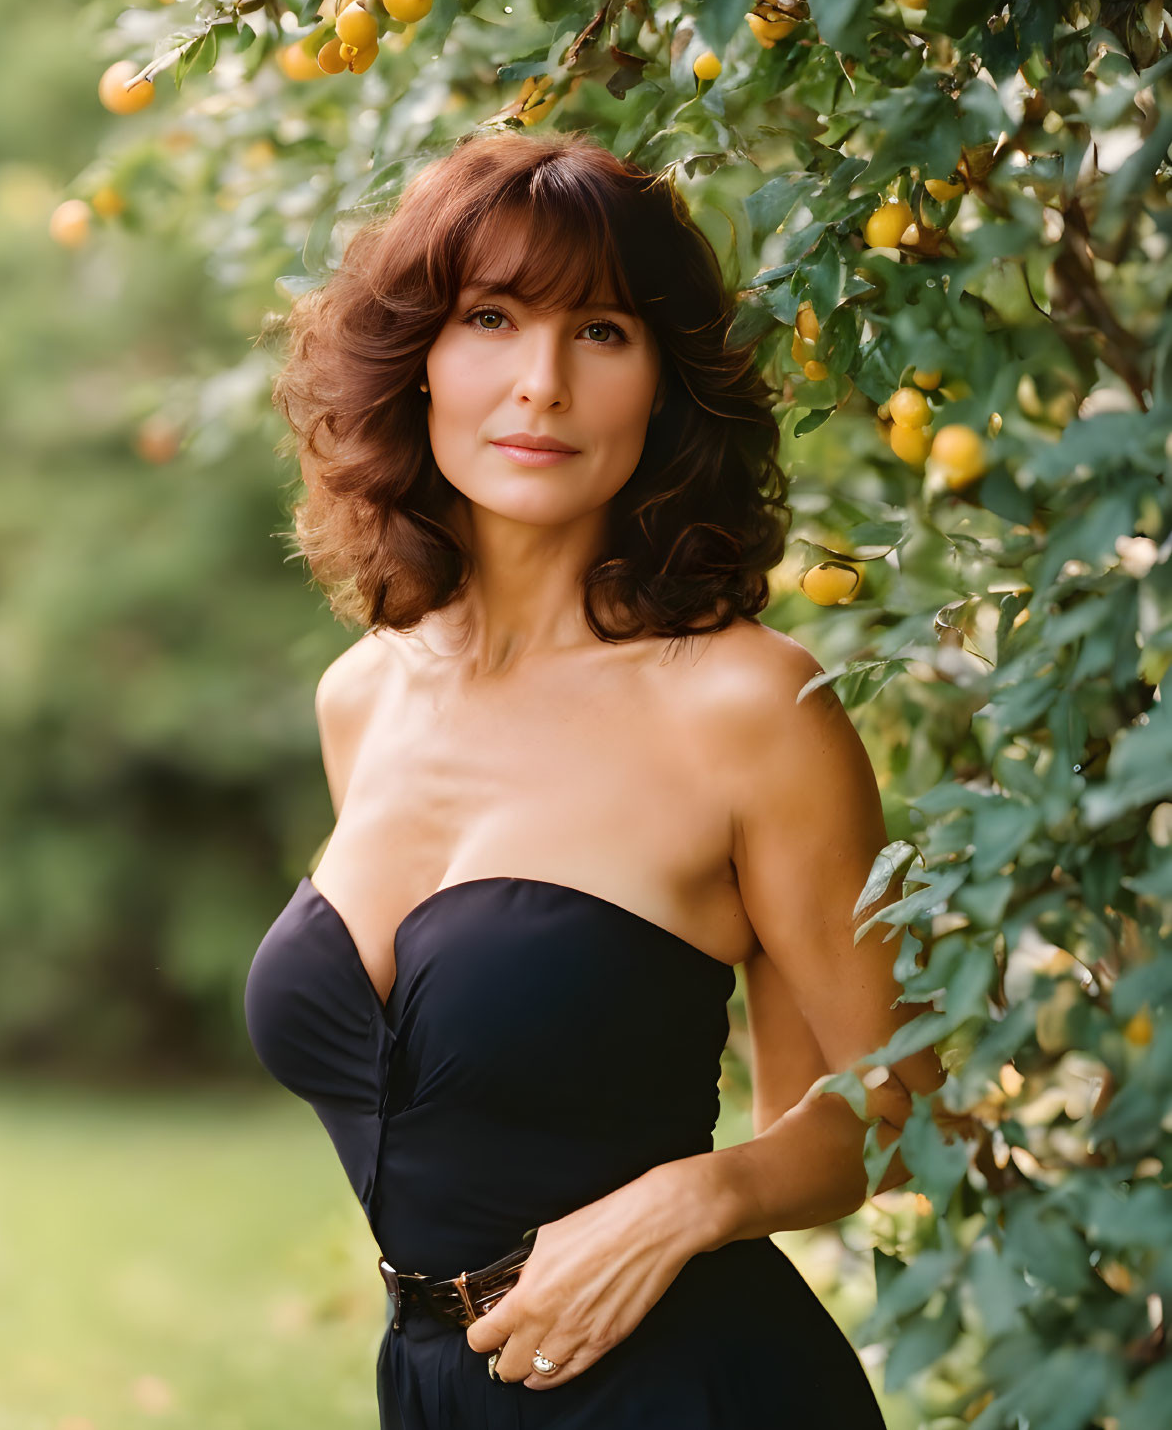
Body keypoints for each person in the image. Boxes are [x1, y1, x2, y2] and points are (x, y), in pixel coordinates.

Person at [244, 128, 947, 1428]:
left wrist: (695, 1197)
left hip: (690, 1389)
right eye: (491, 318)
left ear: (665, 385)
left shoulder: (745, 706)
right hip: (437, 1391)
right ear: (416, 364)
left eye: (603, 333)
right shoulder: (364, 697)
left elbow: (889, 1110)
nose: (541, 385)